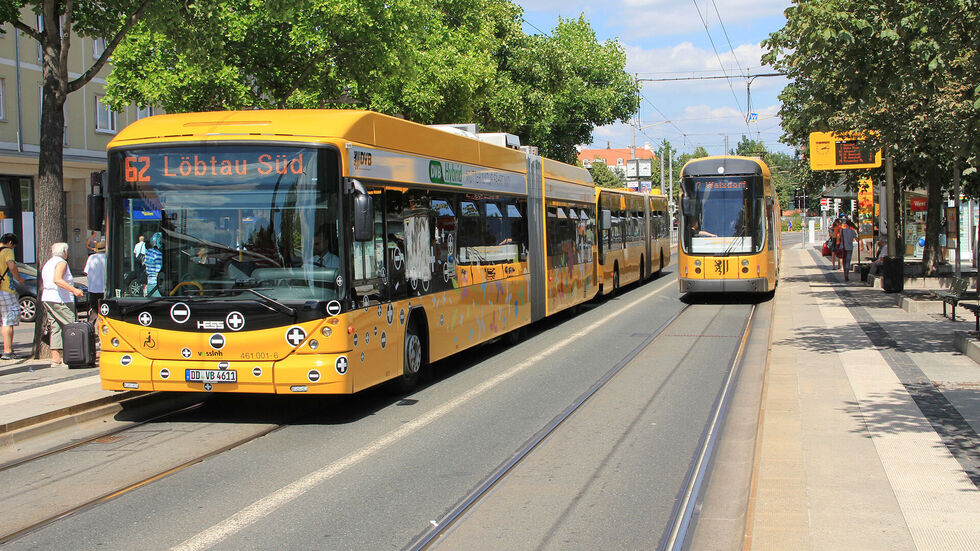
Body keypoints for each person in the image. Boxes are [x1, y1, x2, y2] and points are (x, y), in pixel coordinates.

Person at [42, 242, 84, 368]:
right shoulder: (61, 263)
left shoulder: (48, 263)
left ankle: (55, 359)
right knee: (71, 325)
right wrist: (74, 290)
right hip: (60, 298)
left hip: (47, 297)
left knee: (56, 327)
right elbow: (57, 279)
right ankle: (71, 357)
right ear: (65, 252)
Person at [0, 234, 26, 360]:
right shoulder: (7, 251)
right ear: (10, 243)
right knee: (8, 321)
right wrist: (19, 278)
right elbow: (11, 266)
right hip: (5, 289)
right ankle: (8, 351)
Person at [83, 240, 106, 320]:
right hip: (105, 289)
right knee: (105, 309)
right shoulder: (108, 257)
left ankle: (91, 326)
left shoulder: (91, 258)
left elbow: (86, 272)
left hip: (93, 288)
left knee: (94, 309)